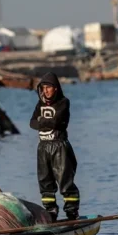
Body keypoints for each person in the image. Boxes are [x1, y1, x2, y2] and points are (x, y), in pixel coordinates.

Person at [29, 72, 80, 221]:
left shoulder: (63, 102)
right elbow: (32, 123)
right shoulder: (40, 104)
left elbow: (57, 122)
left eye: (48, 87)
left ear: (55, 88)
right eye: (43, 88)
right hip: (43, 147)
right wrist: (45, 122)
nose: (45, 91)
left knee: (65, 182)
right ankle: (50, 213)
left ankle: (72, 213)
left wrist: (42, 121)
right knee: (45, 183)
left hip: (59, 147)